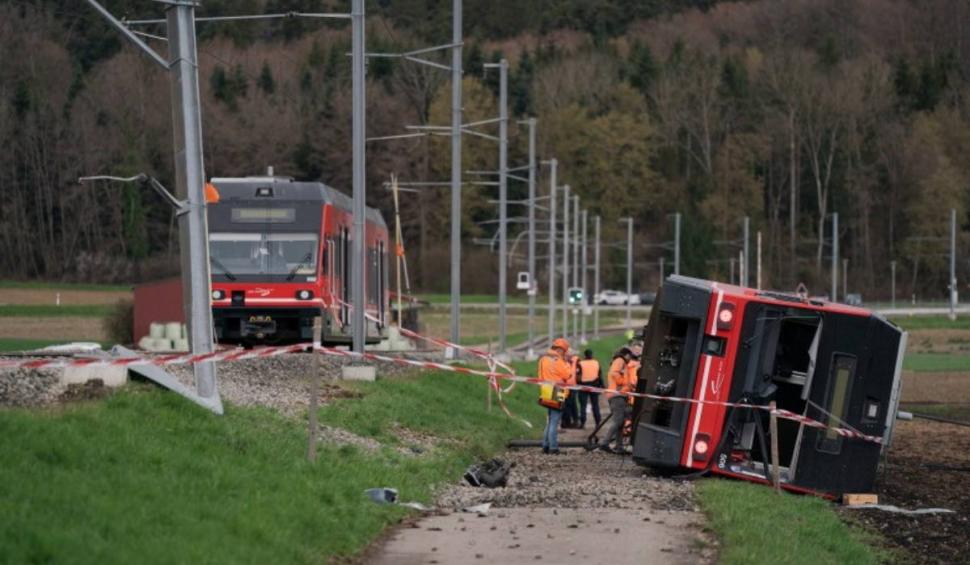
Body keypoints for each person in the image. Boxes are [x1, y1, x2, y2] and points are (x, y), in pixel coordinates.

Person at [538, 338, 574, 455]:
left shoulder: (543, 359)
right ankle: (553, 447)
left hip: (546, 390)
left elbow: (540, 376)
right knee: (554, 421)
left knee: (550, 421)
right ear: (560, 350)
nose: (565, 353)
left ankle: (545, 445)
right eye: (565, 351)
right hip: (557, 390)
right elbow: (567, 375)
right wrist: (567, 363)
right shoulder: (558, 360)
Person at [597, 347, 634, 454]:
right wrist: (623, 383)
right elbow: (614, 373)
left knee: (621, 423)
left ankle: (619, 447)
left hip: (619, 395)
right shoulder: (620, 361)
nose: (630, 359)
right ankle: (605, 443)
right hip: (617, 395)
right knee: (618, 421)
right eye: (630, 356)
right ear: (626, 355)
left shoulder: (620, 362)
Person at [577, 349, 602, 429]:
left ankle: (582, 423)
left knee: (583, 406)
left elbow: (578, 376)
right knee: (595, 405)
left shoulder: (580, 363)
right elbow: (600, 375)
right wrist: (601, 386)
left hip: (583, 386)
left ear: (584, 355)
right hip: (594, 385)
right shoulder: (596, 363)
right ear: (592, 355)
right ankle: (597, 422)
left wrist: (577, 384)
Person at [561, 352, 581, 429]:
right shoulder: (563, 362)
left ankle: (568, 422)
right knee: (567, 404)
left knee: (569, 404)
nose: (567, 357)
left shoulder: (575, 361)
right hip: (564, 386)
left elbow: (579, 372)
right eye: (566, 356)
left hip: (572, 386)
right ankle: (568, 421)